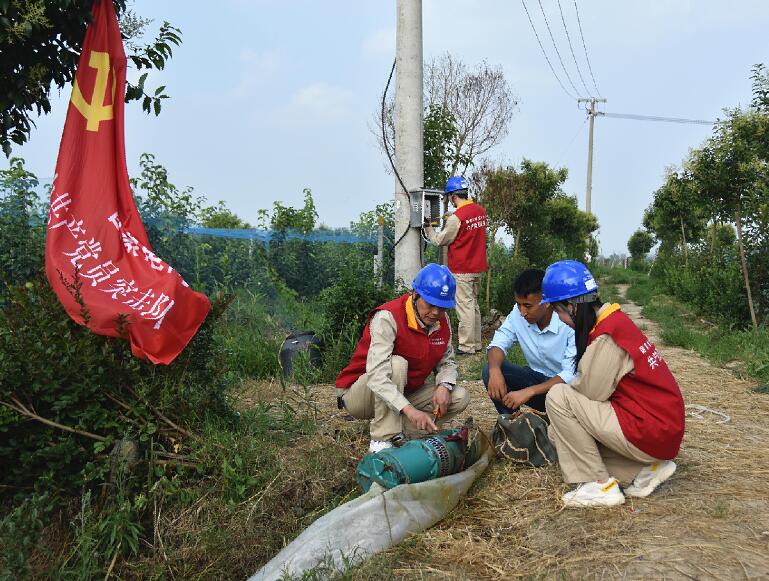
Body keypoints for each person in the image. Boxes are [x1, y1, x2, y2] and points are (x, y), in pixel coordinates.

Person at [541, 260, 685, 508]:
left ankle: (599, 485)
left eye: (557, 311)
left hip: (650, 429)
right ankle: (642, 472)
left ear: (571, 306)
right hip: (660, 428)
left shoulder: (606, 337)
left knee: (558, 398)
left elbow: (588, 394)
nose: (559, 319)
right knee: (560, 433)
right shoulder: (616, 322)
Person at [335, 263, 470, 453]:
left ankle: (402, 430)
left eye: (442, 308)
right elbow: (377, 375)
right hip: (360, 395)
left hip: (405, 391)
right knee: (396, 364)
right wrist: (409, 409)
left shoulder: (441, 321)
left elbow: (447, 361)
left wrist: (444, 386)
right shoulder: (387, 317)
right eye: (430, 304)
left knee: (459, 397)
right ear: (415, 294)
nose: (435, 313)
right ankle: (381, 440)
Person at [483, 269, 576, 415]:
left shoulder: (568, 322)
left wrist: (529, 391)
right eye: (518, 304)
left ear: (546, 302)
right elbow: (499, 342)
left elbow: (570, 374)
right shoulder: (517, 313)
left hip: (566, 393)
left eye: (527, 306)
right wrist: (494, 371)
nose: (522, 312)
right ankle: (511, 425)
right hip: (537, 384)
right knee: (491, 370)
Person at [424, 176, 487, 355]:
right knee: (473, 305)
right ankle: (475, 344)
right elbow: (468, 223)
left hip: (462, 268)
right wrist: (453, 216)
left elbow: (440, 240)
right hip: (477, 267)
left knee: (464, 307)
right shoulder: (480, 211)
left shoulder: (456, 218)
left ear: (452, 196)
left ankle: (466, 346)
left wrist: (429, 229)